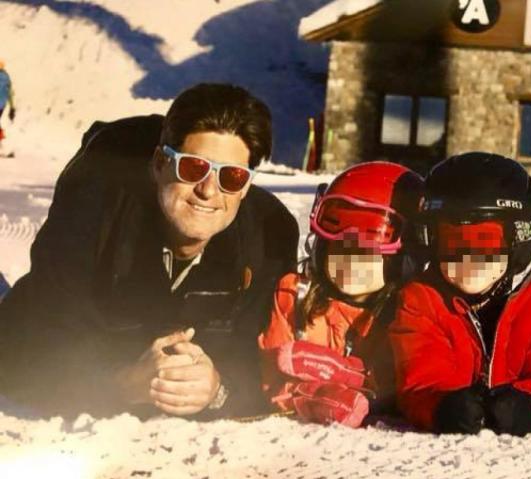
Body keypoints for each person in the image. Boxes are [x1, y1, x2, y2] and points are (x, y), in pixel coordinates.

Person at [0, 83, 299, 419]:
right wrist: (122, 384)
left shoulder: (268, 237)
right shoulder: (92, 210)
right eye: (193, 168)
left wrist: (217, 389)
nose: (208, 190)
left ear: (246, 186)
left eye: (231, 176)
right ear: (159, 164)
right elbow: (37, 350)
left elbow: (262, 364)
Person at [390, 152, 531, 435]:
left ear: (519, 240)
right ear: (431, 241)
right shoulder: (421, 300)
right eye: (453, 241)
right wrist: (442, 405)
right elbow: (419, 380)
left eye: (485, 241)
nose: (468, 257)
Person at [258, 162, 423, 426]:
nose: (351, 263)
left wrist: (358, 381)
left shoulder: (408, 315)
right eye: (340, 248)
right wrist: (308, 396)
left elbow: (412, 387)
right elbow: (270, 380)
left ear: (404, 260)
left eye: (368, 253)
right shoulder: (295, 296)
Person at [0, 60, 15, 152]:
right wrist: (12, 107)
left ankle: (2, 144)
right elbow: (10, 93)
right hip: (2, 104)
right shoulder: (7, 77)